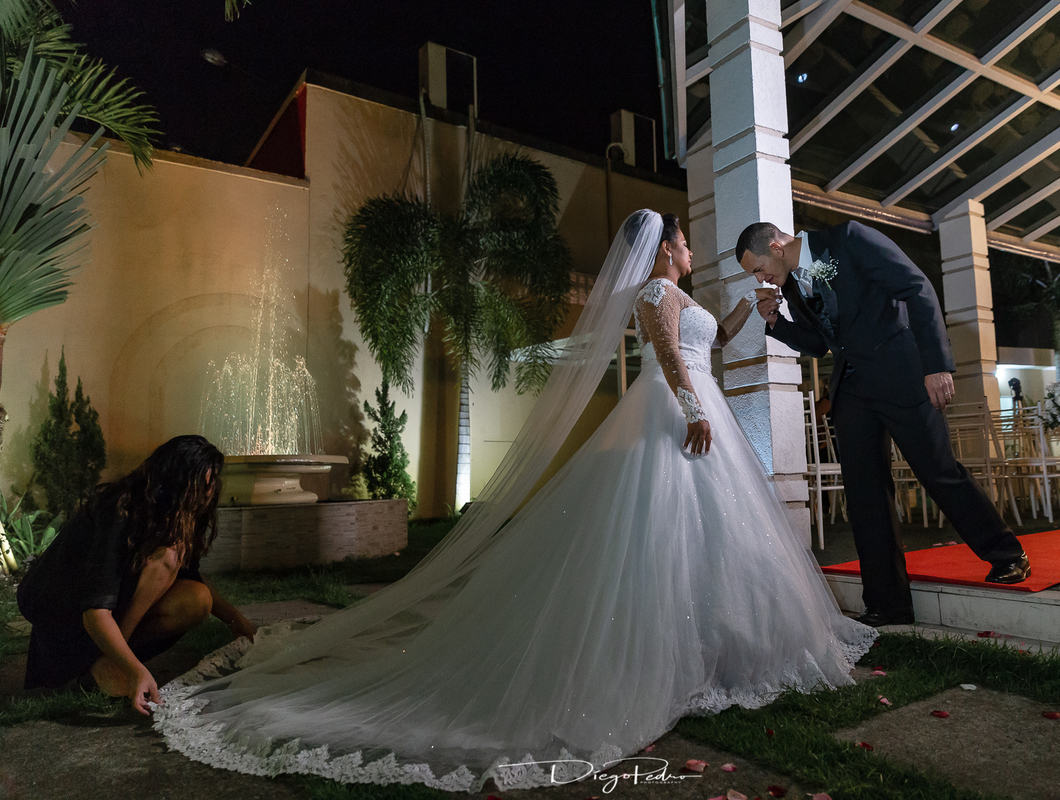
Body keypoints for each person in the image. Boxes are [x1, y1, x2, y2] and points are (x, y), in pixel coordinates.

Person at [154, 211, 875, 793]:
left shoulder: (685, 297)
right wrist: (692, 409)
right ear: (665, 250)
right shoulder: (655, 295)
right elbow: (668, 356)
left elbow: (715, 341)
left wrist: (756, 308)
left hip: (698, 404)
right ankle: (666, 653)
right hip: (677, 412)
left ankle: (721, 646)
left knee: (715, 538)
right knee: (664, 534)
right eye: (684, 242)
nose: (690, 250)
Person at [737, 220, 1031, 628]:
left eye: (758, 268)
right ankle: (888, 603)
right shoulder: (792, 286)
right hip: (852, 390)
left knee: (938, 471)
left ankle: (1008, 554)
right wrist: (776, 323)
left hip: (902, 375)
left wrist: (936, 365)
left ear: (776, 247)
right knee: (865, 494)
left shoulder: (848, 239)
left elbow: (916, 287)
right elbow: (820, 344)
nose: (760, 278)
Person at [17, 434, 257, 714]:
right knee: (168, 557)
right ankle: (110, 661)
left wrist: (235, 619)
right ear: (176, 481)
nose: (209, 492)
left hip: (102, 610)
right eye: (202, 485)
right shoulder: (119, 508)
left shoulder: (174, 511)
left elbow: (192, 576)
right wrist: (135, 670)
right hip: (59, 607)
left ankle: (108, 660)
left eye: (213, 482)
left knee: (198, 598)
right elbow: (96, 611)